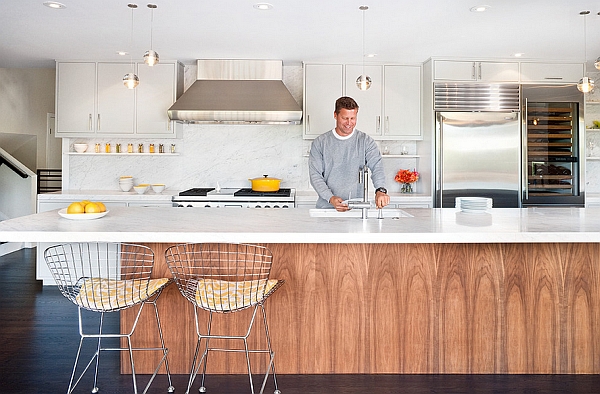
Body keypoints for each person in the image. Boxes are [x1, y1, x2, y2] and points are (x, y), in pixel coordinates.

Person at [309, 96, 390, 211]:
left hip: (356, 209)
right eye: (345, 118)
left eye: (353, 118)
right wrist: (330, 198)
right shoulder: (320, 143)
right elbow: (315, 176)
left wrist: (380, 190)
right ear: (335, 115)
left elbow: (377, 167)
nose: (349, 123)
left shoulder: (366, 141)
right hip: (327, 208)